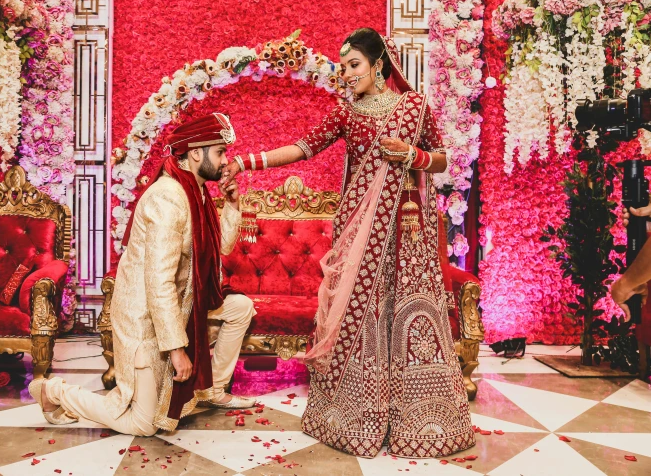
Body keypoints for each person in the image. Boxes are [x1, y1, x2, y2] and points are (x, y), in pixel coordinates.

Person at [220, 28, 474, 458]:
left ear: (379, 64)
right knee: (364, 321)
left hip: (406, 236)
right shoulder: (347, 114)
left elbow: (445, 157)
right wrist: (246, 162)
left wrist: (412, 156)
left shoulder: (414, 107)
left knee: (408, 321)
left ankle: (419, 418)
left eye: (353, 64)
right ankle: (357, 416)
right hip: (360, 236)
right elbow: (302, 148)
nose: (347, 74)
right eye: (342, 68)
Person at [28, 112, 256, 435]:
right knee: (142, 424)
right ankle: (53, 391)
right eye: (220, 152)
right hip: (144, 317)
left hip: (183, 302)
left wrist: (232, 205)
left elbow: (222, 250)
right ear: (195, 153)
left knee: (240, 308)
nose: (225, 161)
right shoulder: (169, 198)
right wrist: (177, 350)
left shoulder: (198, 192)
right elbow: (159, 282)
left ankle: (213, 389)